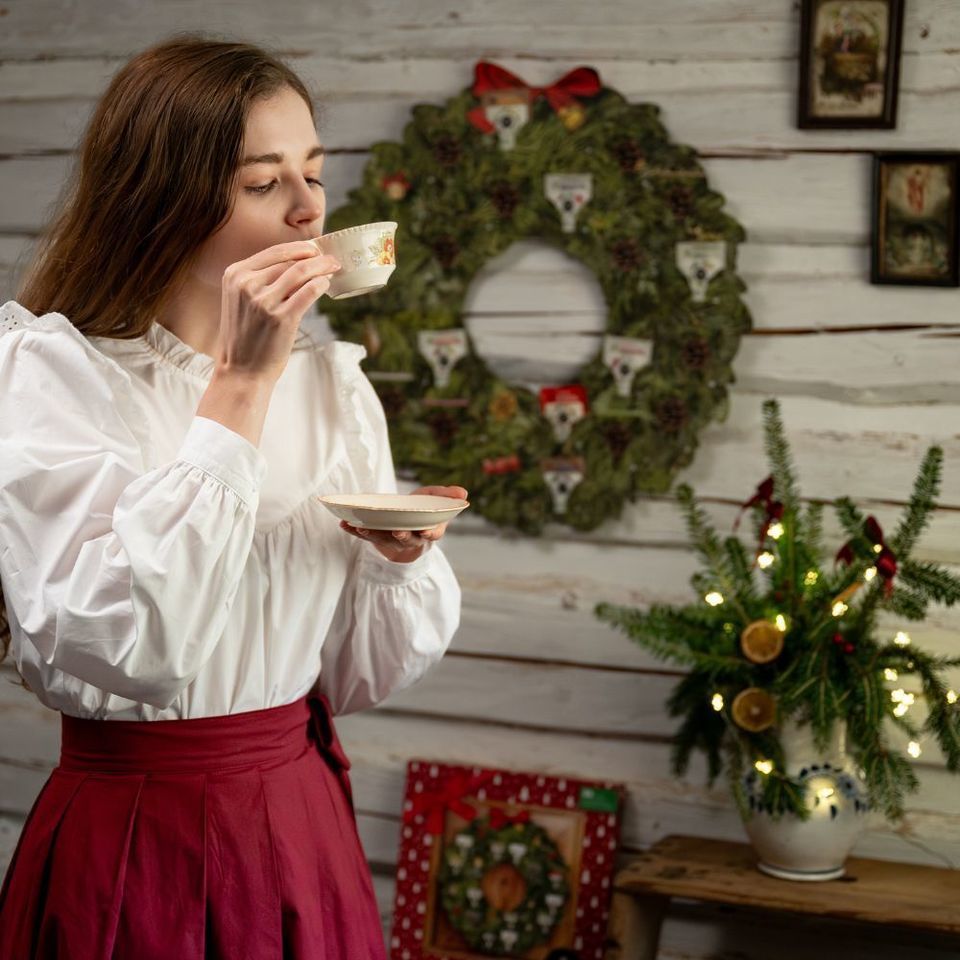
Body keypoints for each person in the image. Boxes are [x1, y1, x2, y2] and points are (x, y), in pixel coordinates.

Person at [0, 33, 465, 959]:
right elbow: (136, 650)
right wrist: (242, 384)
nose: (306, 211)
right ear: (162, 204)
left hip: (297, 822)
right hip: (133, 839)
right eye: (263, 183)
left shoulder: (333, 387)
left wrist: (390, 563)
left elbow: (355, 678)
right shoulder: (55, 376)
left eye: (314, 174)